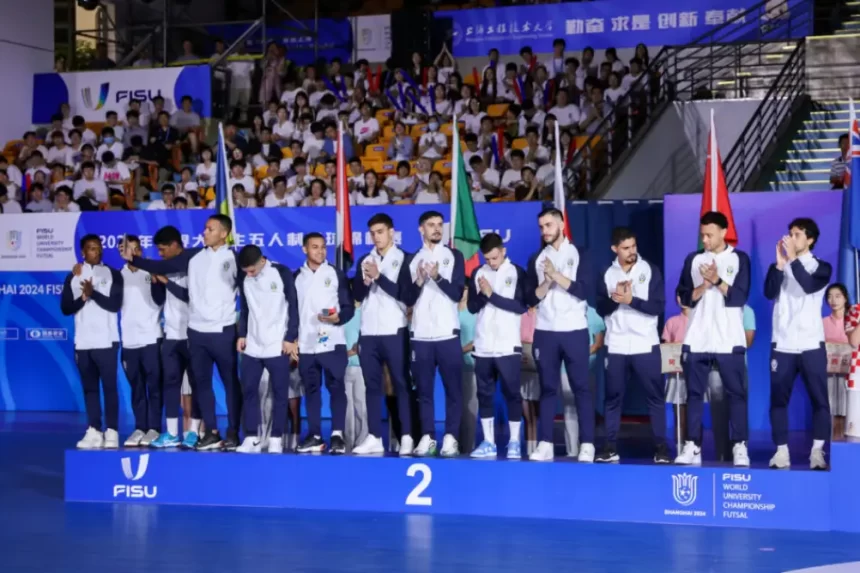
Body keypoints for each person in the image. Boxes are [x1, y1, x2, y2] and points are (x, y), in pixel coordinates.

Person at [121, 215, 242, 451]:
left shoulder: (234, 258)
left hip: (223, 331)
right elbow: (161, 267)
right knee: (202, 385)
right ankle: (212, 433)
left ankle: (234, 433)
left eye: (210, 229)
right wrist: (134, 259)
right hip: (195, 333)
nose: (204, 232)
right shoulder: (193, 256)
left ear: (224, 233)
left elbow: (248, 288)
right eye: (205, 228)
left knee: (230, 383)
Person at [676, 211, 751, 466]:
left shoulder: (739, 259)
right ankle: (692, 446)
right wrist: (702, 287)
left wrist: (717, 280)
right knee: (694, 395)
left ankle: (740, 445)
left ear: (723, 231)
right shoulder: (693, 259)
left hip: (728, 338)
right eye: (702, 235)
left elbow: (739, 297)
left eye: (709, 235)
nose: (705, 240)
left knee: (736, 394)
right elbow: (683, 296)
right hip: (697, 338)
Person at [526, 208, 595, 462]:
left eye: (549, 225)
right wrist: (545, 282)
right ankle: (545, 443)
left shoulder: (579, 253)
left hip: (574, 329)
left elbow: (584, 290)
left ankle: (587, 444)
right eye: (541, 227)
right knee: (547, 388)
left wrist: (556, 275)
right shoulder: (536, 258)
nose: (545, 231)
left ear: (561, 224)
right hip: (545, 331)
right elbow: (530, 297)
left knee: (581, 388)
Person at [595, 227, 669, 463]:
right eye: (626, 248)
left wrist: (631, 300)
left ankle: (661, 448)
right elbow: (601, 309)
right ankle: (610, 447)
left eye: (634, 246)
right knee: (613, 398)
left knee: (655, 397)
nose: (631, 252)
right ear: (614, 249)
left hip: (645, 344)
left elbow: (657, 307)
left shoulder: (650, 270)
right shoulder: (607, 273)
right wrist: (616, 300)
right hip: (616, 345)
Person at [764, 218, 832, 470]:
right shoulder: (781, 266)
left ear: (810, 239)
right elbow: (769, 293)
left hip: (811, 344)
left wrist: (792, 260)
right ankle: (781, 452)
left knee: (819, 401)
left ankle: (817, 452)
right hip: (782, 344)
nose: (791, 238)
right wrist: (780, 266)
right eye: (790, 233)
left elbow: (807, 285)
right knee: (778, 401)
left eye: (798, 234)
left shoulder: (821, 267)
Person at [403, 210, 466, 457]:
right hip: (420, 335)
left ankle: (451, 437)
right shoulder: (411, 260)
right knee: (424, 391)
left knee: (453, 389)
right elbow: (406, 298)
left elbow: (457, 293)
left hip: (447, 334)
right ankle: (428, 436)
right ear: (421, 229)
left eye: (440, 225)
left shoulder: (454, 256)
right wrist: (419, 280)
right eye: (431, 225)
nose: (437, 229)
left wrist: (437, 277)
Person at [351, 213, 414, 455]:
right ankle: (374, 436)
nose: (376, 237)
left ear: (391, 232)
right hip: (368, 331)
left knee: (401, 383)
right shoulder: (365, 259)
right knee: (372, 386)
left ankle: (407, 435)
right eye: (373, 233)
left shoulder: (405, 259)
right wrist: (365, 282)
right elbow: (356, 294)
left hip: (394, 329)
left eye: (380, 232)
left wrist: (380, 277)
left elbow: (407, 296)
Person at [467, 233, 528, 459]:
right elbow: (473, 307)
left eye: (494, 258)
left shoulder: (517, 273)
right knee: (484, 394)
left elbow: (521, 306)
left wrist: (492, 294)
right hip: (483, 345)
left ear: (503, 251)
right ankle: (489, 442)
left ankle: (514, 442)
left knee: (512, 393)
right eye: (487, 259)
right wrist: (484, 295)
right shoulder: (478, 273)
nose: (491, 263)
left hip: (507, 345)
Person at [293, 233, 354, 454]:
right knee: (311, 390)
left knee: (336, 388)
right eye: (315, 247)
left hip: (333, 341)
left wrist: (338, 317)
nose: (320, 251)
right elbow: (291, 313)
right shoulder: (296, 277)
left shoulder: (335, 274)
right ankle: (315, 435)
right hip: (307, 344)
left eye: (323, 247)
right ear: (304, 250)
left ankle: (338, 434)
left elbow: (348, 308)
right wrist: (292, 340)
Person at [60, 235, 123, 449]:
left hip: (107, 341)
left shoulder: (113, 274)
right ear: (83, 252)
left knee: (110, 388)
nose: (96, 251)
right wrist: (83, 298)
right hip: (83, 343)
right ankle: (94, 430)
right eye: (91, 248)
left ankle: (112, 431)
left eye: (98, 248)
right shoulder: (74, 276)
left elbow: (115, 304)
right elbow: (66, 308)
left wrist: (93, 293)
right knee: (90, 389)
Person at [235, 245, 298, 454]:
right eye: (246, 272)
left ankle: (276, 438)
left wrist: (290, 337)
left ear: (262, 260)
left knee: (280, 394)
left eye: (252, 270)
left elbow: (294, 306)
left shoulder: (281, 273)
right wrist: (242, 334)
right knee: (249, 391)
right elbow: (244, 308)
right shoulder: (245, 278)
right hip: (253, 345)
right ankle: (252, 437)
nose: (249, 274)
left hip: (277, 344)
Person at [148, 226, 203, 449]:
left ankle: (193, 432)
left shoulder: (195, 263)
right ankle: (171, 432)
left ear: (174, 245)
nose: (160, 255)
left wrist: (166, 282)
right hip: (171, 334)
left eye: (163, 250)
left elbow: (190, 297)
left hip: (193, 333)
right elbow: (158, 300)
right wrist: (156, 283)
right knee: (170, 383)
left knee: (198, 385)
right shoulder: (165, 267)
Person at [118, 235, 166, 447]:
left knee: (154, 387)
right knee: (137, 388)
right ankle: (140, 427)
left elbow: (160, 300)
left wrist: (156, 281)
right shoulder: (118, 276)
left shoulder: (151, 272)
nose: (131, 252)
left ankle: (154, 428)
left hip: (151, 337)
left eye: (135, 249)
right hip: (129, 341)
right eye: (127, 249)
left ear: (140, 251)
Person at [824, 283, 851, 439]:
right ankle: (834, 443)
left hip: (850, 374)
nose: (833, 300)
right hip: (828, 373)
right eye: (829, 296)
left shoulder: (853, 321)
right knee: (831, 409)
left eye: (837, 296)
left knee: (849, 409)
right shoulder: (822, 322)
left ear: (845, 298)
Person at [343, 302, 368, 452]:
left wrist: (357, 350)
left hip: (362, 366)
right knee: (347, 407)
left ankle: (363, 440)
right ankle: (348, 441)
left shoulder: (366, 312)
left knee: (361, 406)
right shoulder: (342, 313)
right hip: (343, 365)